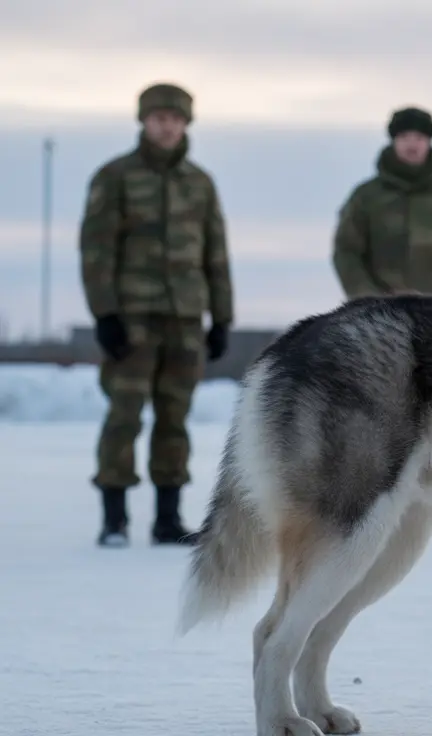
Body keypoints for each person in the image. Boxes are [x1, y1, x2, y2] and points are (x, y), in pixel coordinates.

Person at [78, 82, 233, 548]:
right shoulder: (115, 177)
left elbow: (215, 254)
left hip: (185, 318)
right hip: (132, 317)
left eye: (175, 119)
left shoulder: (199, 183)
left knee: (174, 417)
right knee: (124, 415)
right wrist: (105, 314)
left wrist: (221, 318)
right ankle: (114, 519)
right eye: (159, 118)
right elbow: (96, 250)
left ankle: (168, 518)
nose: (167, 127)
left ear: (186, 124)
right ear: (144, 121)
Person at [332, 106, 432, 299]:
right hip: (384, 310)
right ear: (394, 141)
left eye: (419, 138)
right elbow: (346, 251)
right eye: (405, 138)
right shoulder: (367, 196)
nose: (412, 145)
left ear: (429, 141)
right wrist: (367, 299)